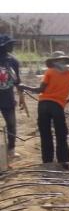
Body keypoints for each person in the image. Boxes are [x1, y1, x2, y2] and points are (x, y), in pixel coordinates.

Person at [17, 52, 69, 170]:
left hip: (43, 105)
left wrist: (24, 86)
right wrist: (67, 100)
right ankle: (64, 161)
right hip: (57, 107)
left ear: (54, 62)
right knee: (61, 134)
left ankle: (47, 160)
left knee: (45, 133)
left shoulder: (50, 72)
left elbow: (40, 90)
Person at [0, 35, 26, 163]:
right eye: (10, 44)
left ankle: (11, 149)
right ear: (3, 46)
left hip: (7, 98)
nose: (12, 47)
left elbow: (17, 81)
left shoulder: (13, 61)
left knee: (11, 124)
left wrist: (21, 97)